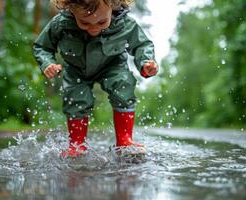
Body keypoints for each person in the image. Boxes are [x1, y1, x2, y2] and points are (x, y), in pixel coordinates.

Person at [33, 0, 158, 157]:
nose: (93, 29)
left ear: (113, 6)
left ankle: (125, 140)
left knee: (123, 84)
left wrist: (146, 63)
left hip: (112, 65)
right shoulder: (61, 24)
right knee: (75, 97)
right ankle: (77, 145)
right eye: (84, 23)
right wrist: (47, 63)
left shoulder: (125, 24)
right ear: (71, 8)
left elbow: (142, 45)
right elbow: (42, 47)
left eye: (102, 22)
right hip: (76, 69)